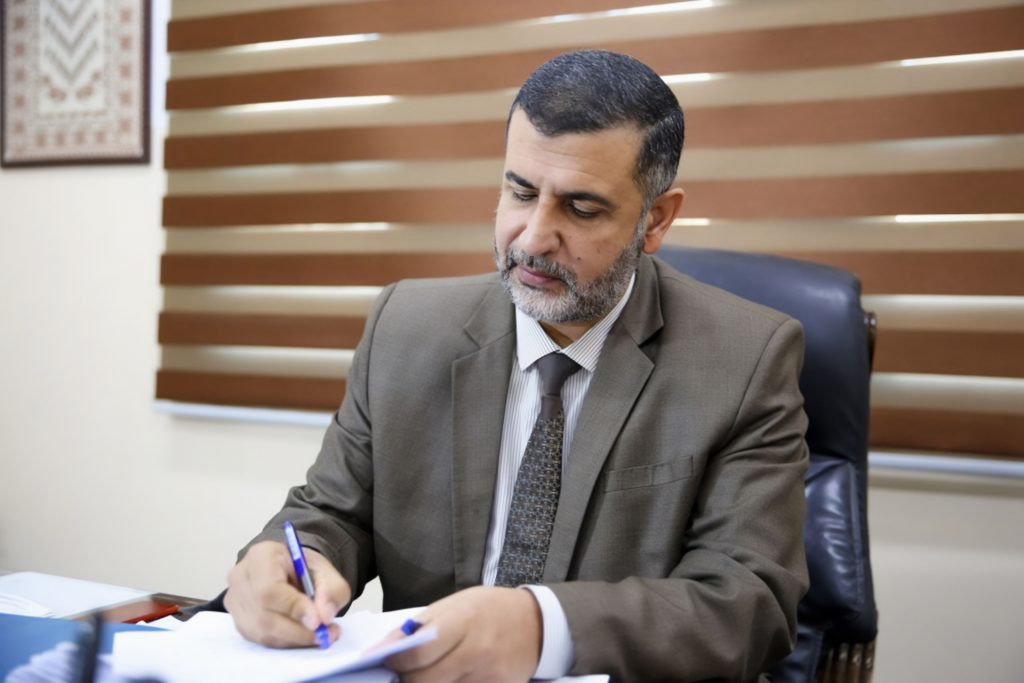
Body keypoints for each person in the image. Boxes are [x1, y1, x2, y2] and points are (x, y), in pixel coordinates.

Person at [223, 49, 809, 682]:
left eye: (581, 209)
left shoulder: (744, 359)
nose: (532, 238)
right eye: (521, 192)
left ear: (655, 219)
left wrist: (541, 627)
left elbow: (745, 604)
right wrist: (290, 562)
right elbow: (332, 513)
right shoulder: (406, 327)